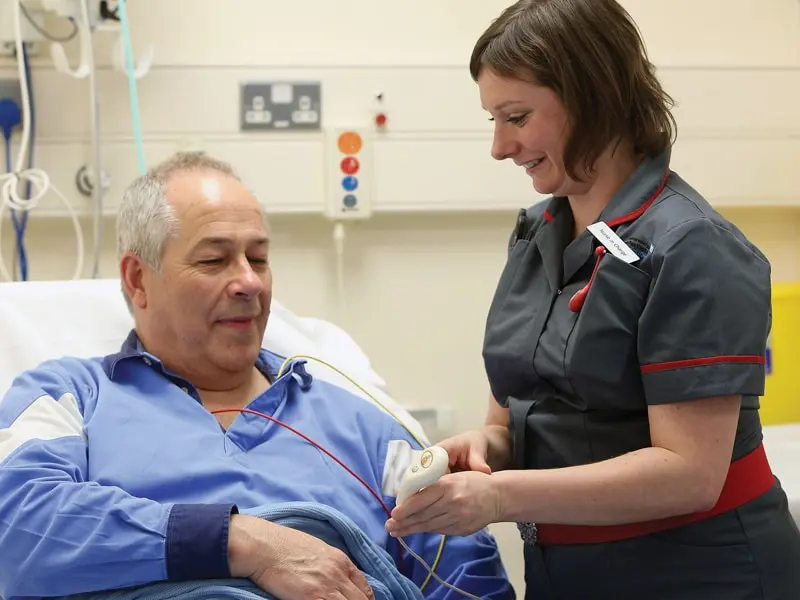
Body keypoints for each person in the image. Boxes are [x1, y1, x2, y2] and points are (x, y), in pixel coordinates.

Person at [384, 1, 800, 598]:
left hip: (700, 573)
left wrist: (499, 496)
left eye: (517, 116)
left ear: (592, 98)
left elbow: (689, 474)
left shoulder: (694, 249)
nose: (500, 147)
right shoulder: (537, 234)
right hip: (567, 573)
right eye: (493, 120)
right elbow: (514, 418)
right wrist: (483, 451)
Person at [0, 152, 515, 600]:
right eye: (214, 259)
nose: (249, 281)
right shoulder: (68, 399)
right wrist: (241, 543)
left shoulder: (364, 430)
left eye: (259, 258)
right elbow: (21, 526)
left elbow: (465, 573)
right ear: (139, 279)